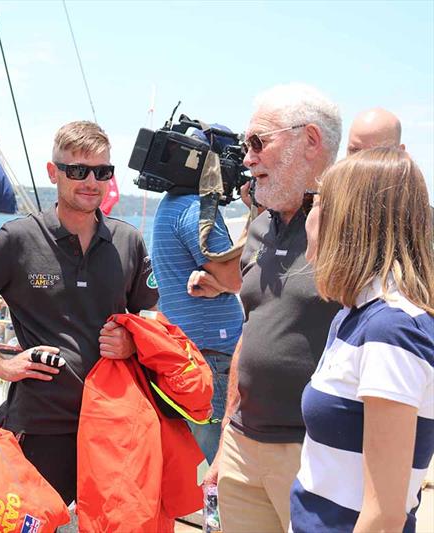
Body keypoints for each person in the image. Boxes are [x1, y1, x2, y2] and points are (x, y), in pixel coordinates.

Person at [0, 120, 159, 504]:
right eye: (77, 171)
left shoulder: (128, 241)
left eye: (102, 172)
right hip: (40, 424)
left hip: (112, 422)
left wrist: (133, 344)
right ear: (53, 173)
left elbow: (152, 322)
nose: (91, 181)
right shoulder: (18, 239)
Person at [203, 83, 343, 533]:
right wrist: (226, 436)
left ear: (310, 141)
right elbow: (253, 330)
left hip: (316, 452)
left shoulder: (352, 230)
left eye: (258, 142)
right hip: (243, 445)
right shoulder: (260, 227)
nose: (247, 158)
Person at [292, 148, 434, 532]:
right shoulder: (354, 317)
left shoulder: (392, 330)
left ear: (347, 219)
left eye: (316, 203)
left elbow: (384, 516)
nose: (308, 216)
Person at [150, 126, 243, 464]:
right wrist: (258, 213)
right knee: (224, 463)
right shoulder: (195, 209)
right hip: (213, 355)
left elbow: (225, 277)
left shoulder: (172, 205)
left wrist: (219, 283)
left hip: (194, 352)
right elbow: (236, 276)